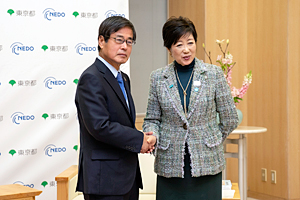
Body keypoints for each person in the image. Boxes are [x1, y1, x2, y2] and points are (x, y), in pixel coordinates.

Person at [143, 16, 238, 200]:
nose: (186, 49)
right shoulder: (158, 78)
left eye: (190, 42)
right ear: (169, 49)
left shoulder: (213, 74)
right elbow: (152, 119)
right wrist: (152, 134)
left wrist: (212, 138)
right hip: (170, 163)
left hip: (207, 161)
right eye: (179, 45)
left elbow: (230, 118)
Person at [75, 16, 156, 200]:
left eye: (129, 41)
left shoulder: (123, 79)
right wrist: (138, 139)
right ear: (101, 41)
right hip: (104, 181)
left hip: (126, 178)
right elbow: (99, 126)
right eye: (118, 40)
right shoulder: (92, 78)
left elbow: (122, 122)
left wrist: (142, 139)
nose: (125, 47)